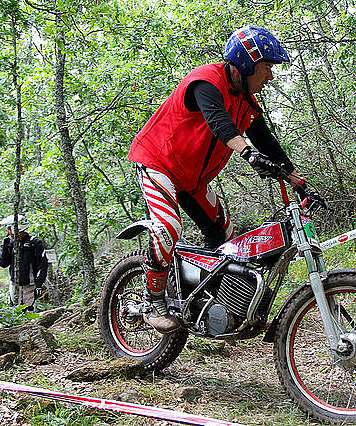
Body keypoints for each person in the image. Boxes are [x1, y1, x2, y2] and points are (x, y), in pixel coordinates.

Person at [127, 25, 314, 334]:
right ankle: (152, 300)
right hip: (157, 162)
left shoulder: (248, 103)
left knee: (227, 241)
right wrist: (248, 154)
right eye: (267, 67)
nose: (270, 75)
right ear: (246, 62)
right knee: (168, 228)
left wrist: (300, 183)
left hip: (192, 180)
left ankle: (211, 307)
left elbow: (269, 144)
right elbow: (220, 125)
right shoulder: (205, 81)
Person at [0, 214, 48, 312]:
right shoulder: (10, 243)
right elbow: (3, 264)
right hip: (14, 284)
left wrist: (39, 284)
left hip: (30, 284)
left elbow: (43, 265)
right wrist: (5, 247)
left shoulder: (34, 243)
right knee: (15, 311)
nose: (9, 233)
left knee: (28, 311)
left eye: (9, 230)